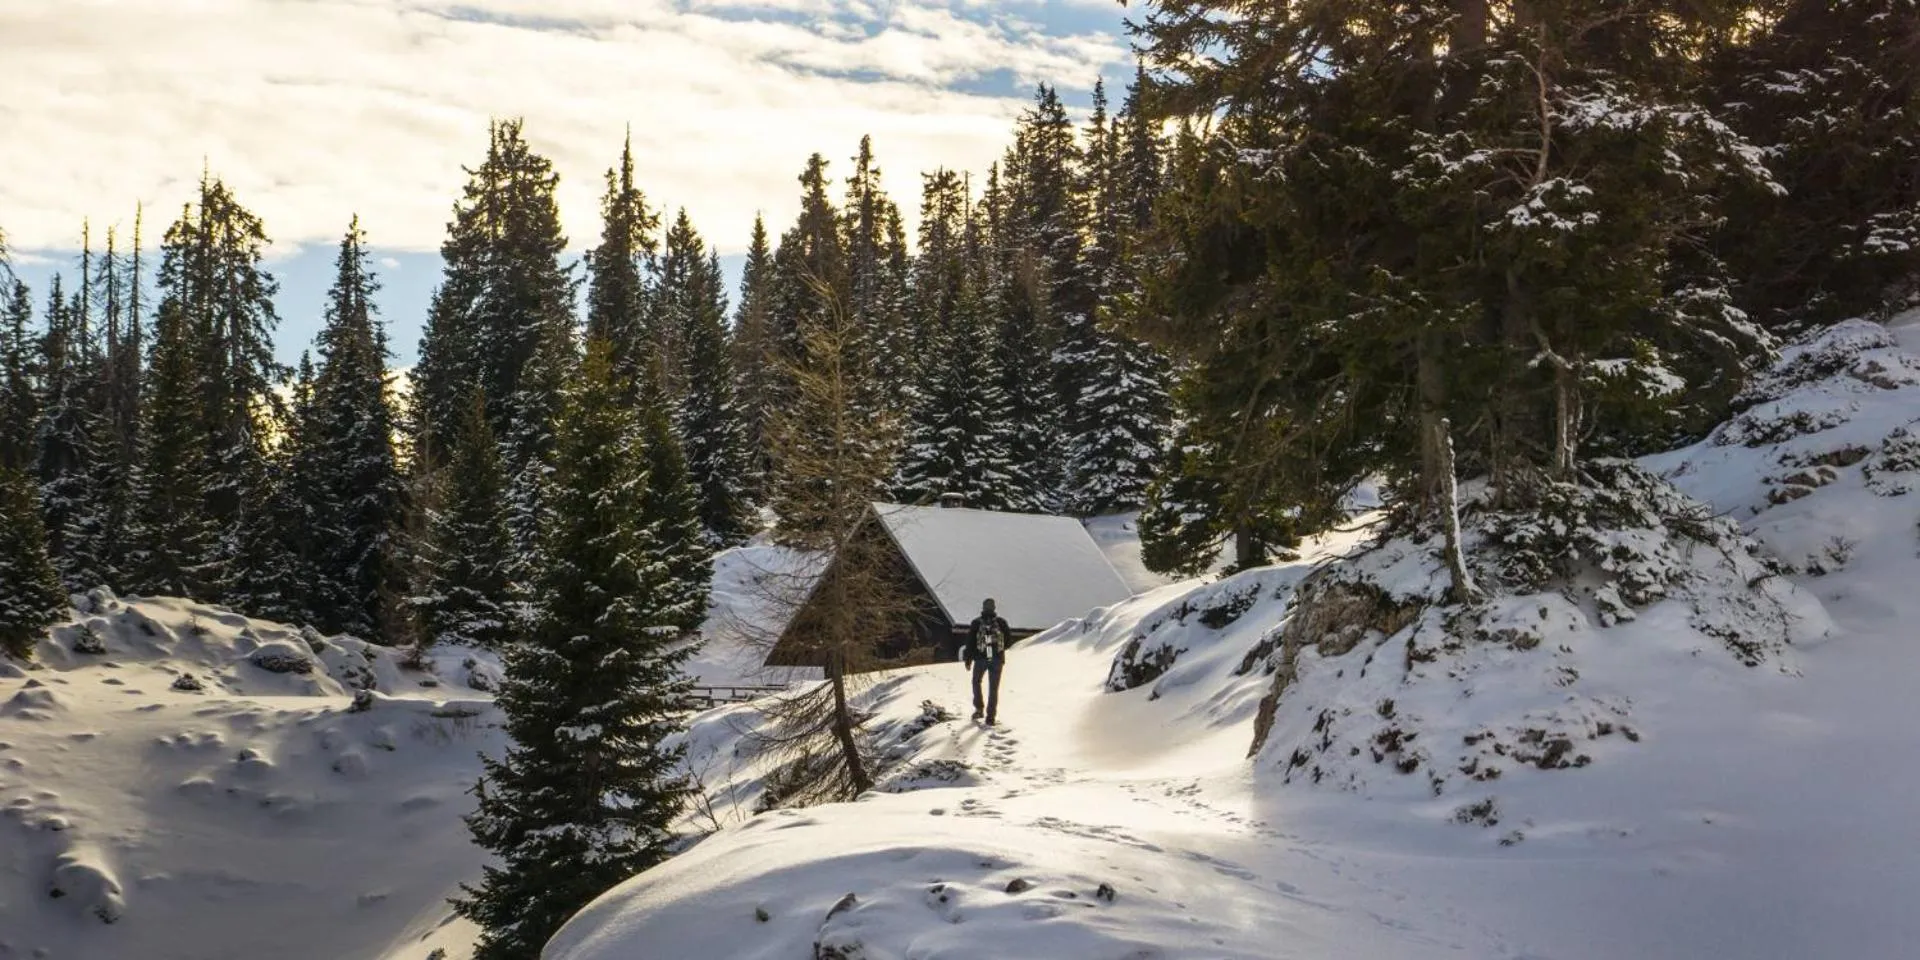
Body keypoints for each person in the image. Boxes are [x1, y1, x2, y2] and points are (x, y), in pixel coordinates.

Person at [963, 598, 1011, 726]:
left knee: (976, 682)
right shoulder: (1001, 622)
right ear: (994, 608)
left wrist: (968, 659)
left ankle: (979, 709)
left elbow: (970, 642)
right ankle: (991, 717)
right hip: (997, 659)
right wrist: (999, 651)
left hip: (981, 658)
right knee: (993, 688)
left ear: (983, 608)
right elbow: (1008, 641)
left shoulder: (976, 623)